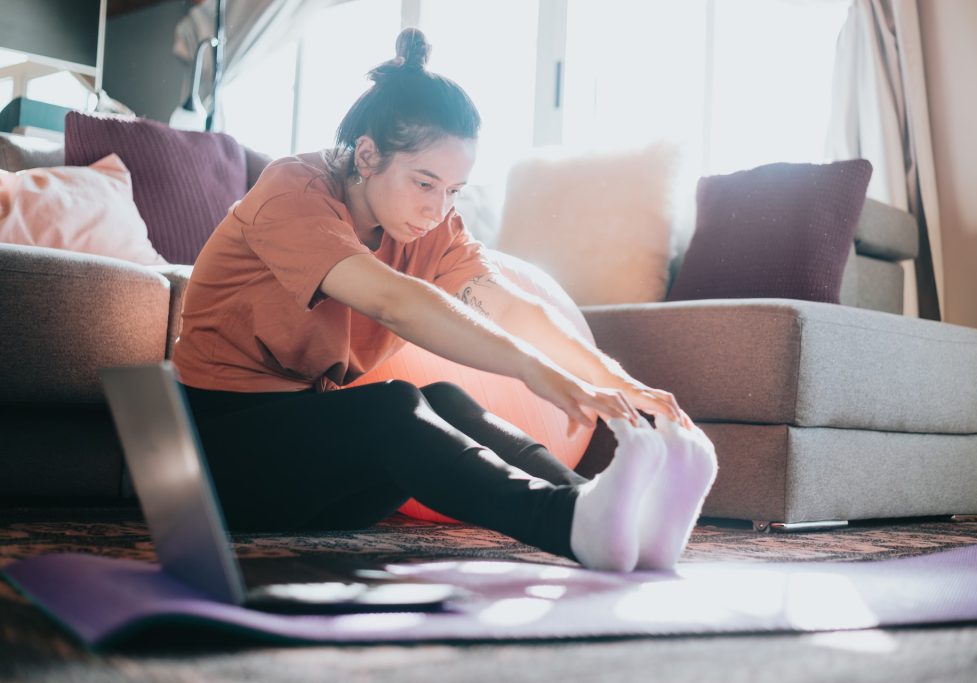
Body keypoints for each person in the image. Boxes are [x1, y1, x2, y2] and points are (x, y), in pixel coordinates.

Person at [171, 28, 717, 573]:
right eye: (425, 183)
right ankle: (567, 521)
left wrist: (614, 379)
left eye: (454, 191)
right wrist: (531, 371)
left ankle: (613, 515)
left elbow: (508, 305)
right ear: (367, 156)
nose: (438, 209)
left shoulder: (429, 228)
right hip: (220, 460)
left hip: (311, 465)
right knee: (390, 404)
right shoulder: (293, 193)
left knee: (446, 399)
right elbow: (394, 302)